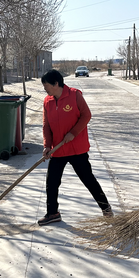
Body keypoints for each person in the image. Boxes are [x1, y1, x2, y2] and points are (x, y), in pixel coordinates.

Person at [38, 68, 112, 225]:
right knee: (52, 182)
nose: (45, 89)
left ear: (56, 83)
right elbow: (46, 125)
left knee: (88, 179)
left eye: (47, 86)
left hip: (76, 149)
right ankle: (52, 213)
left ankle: (106, 209)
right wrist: (47, 146)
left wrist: (73, 132)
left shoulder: (74, 95)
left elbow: (86, 115)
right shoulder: (47, 101)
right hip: (57, 150)